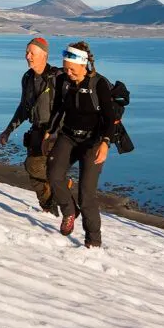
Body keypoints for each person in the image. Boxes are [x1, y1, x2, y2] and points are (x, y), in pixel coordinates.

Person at [44, 41, 116, 248]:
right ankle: (69, 211)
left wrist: (105, 143)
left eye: (72, 69)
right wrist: (49, 132)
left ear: (84, 65)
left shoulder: (99, 84)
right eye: (65, 68)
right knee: (54, 175)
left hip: (92, 141)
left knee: (86, 194)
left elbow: (110, 119)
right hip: (68, 136)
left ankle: (93, 241)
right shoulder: (63, 81)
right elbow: (58, 108)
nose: (68, 73)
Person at [0, 37, 61, 212]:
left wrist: (53, 130)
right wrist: (8, 130)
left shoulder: (57, 77)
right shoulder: (27, 78)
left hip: (55, 134)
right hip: (36, 132)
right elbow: (23, 109)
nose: (27, 56)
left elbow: (66, 107)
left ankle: (60, 185)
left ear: (44, 56)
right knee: (34, 176)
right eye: (26, 52)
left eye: (32, 53)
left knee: (32, 165)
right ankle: (48, 208)